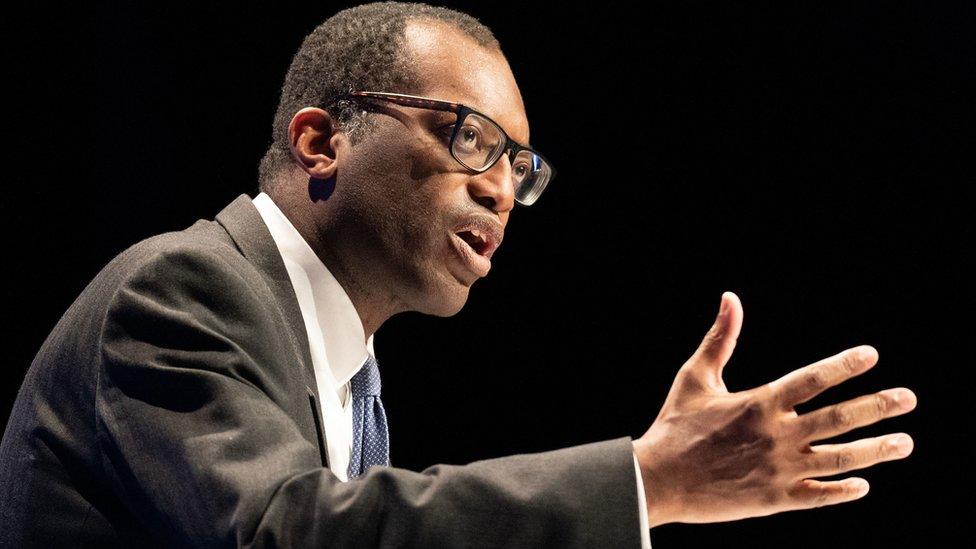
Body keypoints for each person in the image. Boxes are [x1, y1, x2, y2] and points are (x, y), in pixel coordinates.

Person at [0, 2, 917, 547]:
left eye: (520, 167)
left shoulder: (353, 382)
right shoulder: (181, 290)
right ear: (321, 140)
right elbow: (288, 531)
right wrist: (643, 480)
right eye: (469, 138)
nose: (501, 190)